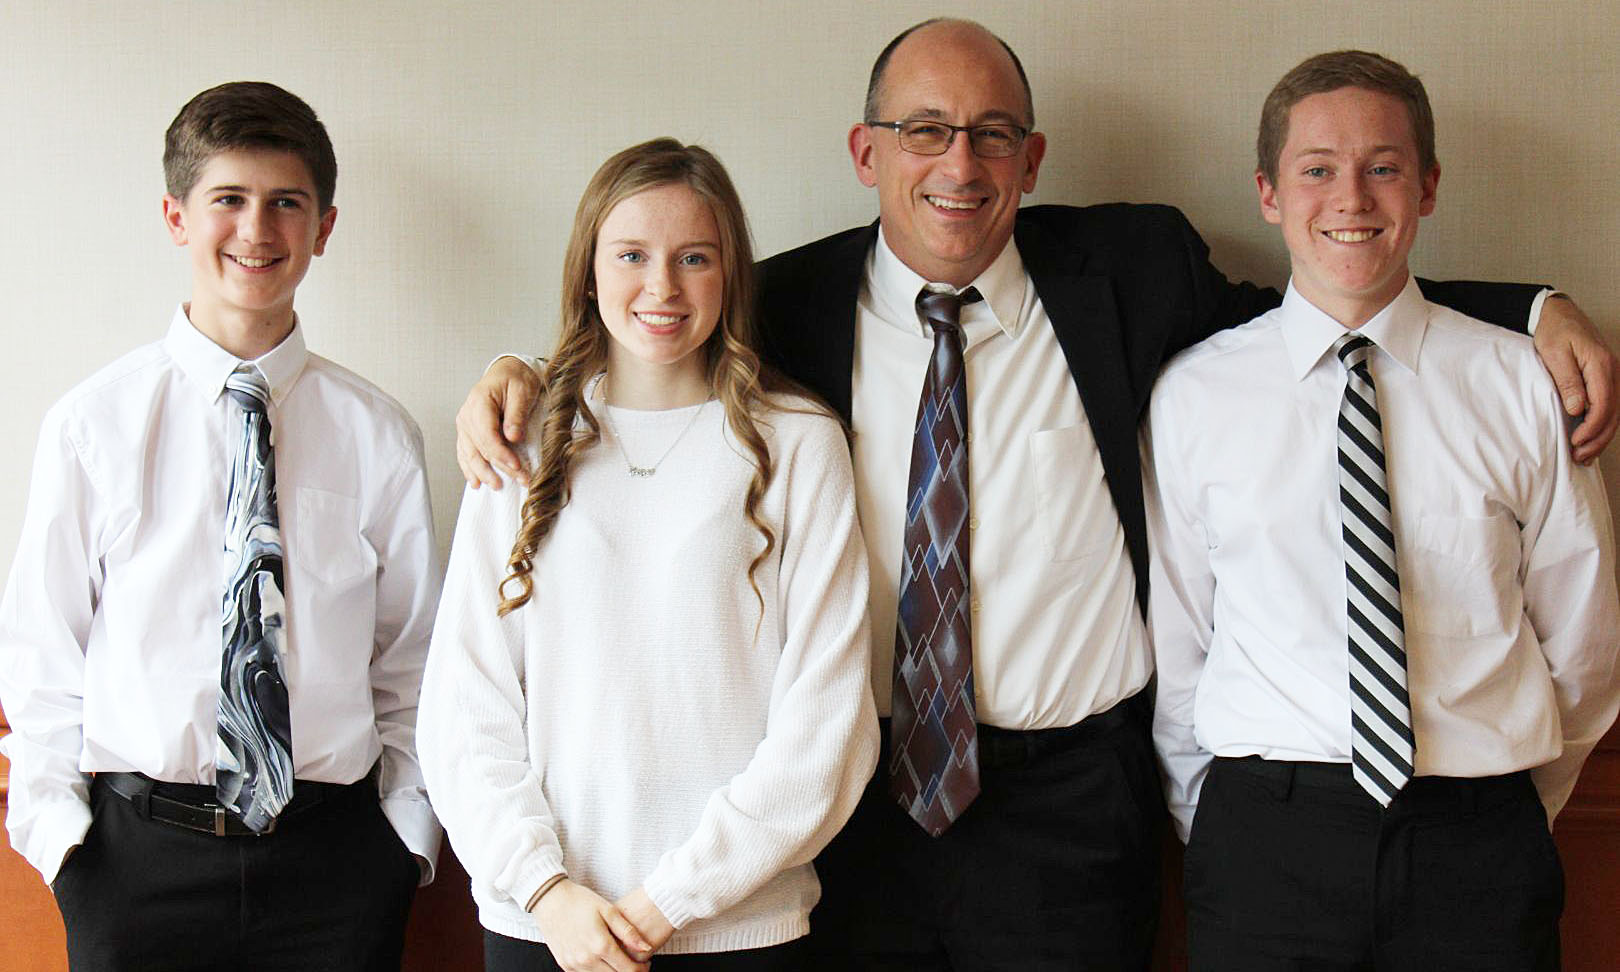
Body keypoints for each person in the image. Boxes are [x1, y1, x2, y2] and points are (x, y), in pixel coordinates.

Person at [455, 20, 1619, 970]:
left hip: (1074, 807)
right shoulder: (786, 301)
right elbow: (648, 327)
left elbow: (1332, 284)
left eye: (992, 135)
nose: (959, 166)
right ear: (868, 154)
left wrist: (1529, 306)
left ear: (1032, 157)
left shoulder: (1134, 272)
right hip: (857, 804)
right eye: (925, 132)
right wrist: (515, 378)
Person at [1144, 50, 1619, 971]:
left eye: (1384, 167)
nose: (1351, 198)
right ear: (1270, 194)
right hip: (1265, 842)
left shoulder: (1521, 382)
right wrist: (1225, 825)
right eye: (1317, 169)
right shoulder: (1194, 396)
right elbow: (1180, 643)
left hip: (1477, 840)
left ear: (1428, 187)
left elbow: (1584, 637)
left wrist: (1506, 800)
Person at [0, 82, 441, 970]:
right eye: (228, 200)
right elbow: (44, 656)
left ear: (323, 226)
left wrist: (404, 843)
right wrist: (65, 850)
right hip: (134, 863)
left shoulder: (379, 435)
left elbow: (414, 660)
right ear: (176, 217)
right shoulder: (93, 427)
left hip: (338, 866)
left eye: (287, 203)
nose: (257, 230)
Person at [416, 138, 878, 972]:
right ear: (589, 271)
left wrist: (672, 900)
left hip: (741, 925)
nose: (661, 287)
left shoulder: (802, 446)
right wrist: (547, 890)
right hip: (546, 926)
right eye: (631, 255)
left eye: (693, 258)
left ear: (730, 276)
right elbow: (464, 708)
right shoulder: (521, 442)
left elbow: (829, 727)